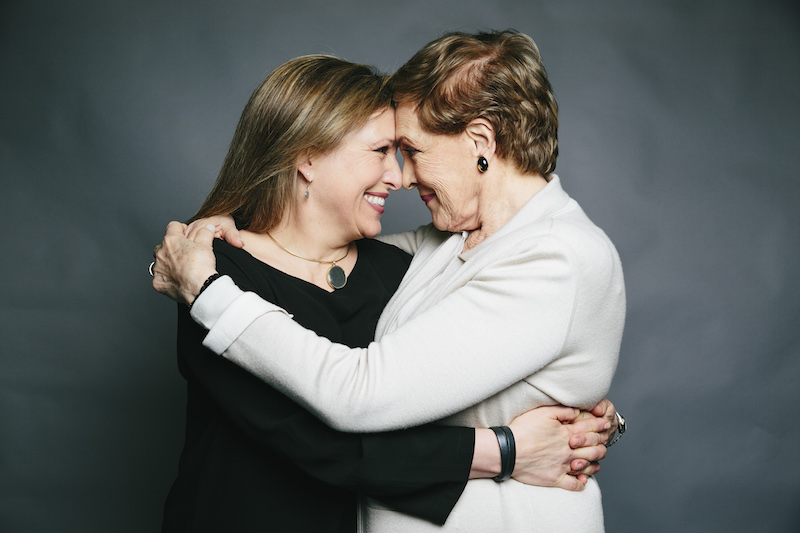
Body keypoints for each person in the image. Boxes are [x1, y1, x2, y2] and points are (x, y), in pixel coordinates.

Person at [152, 54, 615, 533]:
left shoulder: (395, 271)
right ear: (307, 156)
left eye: (407, 151)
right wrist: (506, 449)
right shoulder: (217, 269)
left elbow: (395, 411)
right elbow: (316, 443)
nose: (398, 176)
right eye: (382, 151)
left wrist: (578, 402)